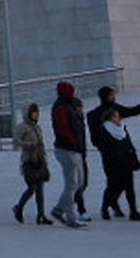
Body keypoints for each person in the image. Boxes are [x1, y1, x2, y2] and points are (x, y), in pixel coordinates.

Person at [49, 82, 89, 228]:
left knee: (79, 183)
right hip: (67, 150)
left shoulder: (68, 105)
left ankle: (59, 209)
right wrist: (73, 143)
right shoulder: (61, 107)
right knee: (72, 184)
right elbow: (62, 128)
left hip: (74, 149)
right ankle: (70, 217)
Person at [96, 106, 140, 220]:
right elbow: (105, 148)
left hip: (126, 163)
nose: (119, 119)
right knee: (113, 187)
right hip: (113, 164)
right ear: (110, 118)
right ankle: (105, 208)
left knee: (129, 188)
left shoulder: (122, 129)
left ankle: (133, 211)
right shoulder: (104, 131)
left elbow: (129, 145)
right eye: (116, 116)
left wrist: (134, 160)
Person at [12, 102, 52, 224]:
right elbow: (16, 141)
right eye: (33, 112)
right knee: (32, 188)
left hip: (39, 160)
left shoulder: (37, 127)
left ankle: (41, 215)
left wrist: (43, 155)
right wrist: (29, 145)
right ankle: (18, 207)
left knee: (40, 189)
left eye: (36, 112)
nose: (35, 114)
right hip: (29, 161)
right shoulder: (22, 127)